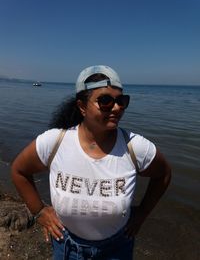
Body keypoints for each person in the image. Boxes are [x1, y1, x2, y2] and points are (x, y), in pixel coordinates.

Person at [11, 65, 171, 260]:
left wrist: (143, 213)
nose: (117, 107)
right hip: (67, 247)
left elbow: (163, 174)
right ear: (82, 106)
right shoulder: (55, 142)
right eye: (105, 101)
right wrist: (39, 211)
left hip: (117, 249)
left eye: (122, 101)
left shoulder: (134, 147)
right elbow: (19, 171)